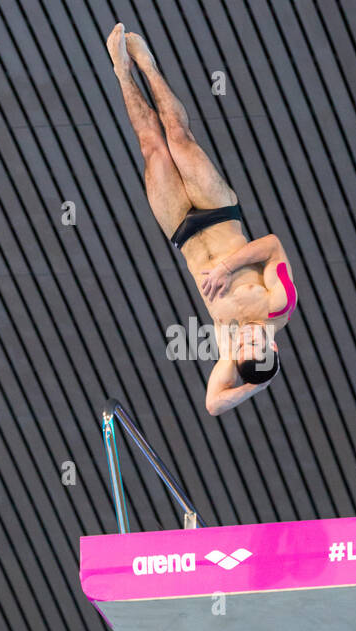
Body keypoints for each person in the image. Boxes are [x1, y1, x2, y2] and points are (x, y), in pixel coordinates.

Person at [107, 24, 297, 415]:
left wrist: (257, 384)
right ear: (272, 345)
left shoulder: (232, 349)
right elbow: (274, 243)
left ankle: (122, 73)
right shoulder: (279, 305)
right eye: (255, 345)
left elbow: (213, 404)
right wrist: (229, 266)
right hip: (219, 211)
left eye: (243, 348)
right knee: (178, 137)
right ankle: (148, 66)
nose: (244, 341)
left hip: (182, 231)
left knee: (152, 149)